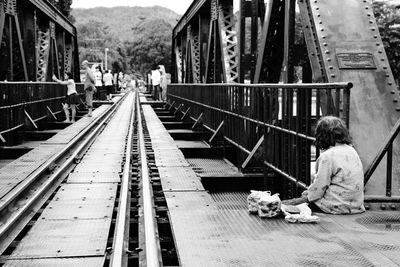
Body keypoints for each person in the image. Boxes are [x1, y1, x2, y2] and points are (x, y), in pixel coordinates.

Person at [282, 116, 365, 214]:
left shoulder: (327, 156)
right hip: (355, 206)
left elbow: (320, 186)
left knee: (294, 206)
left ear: (322, 136)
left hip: (335, 206)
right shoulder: (352, 150)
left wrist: (307, 196)